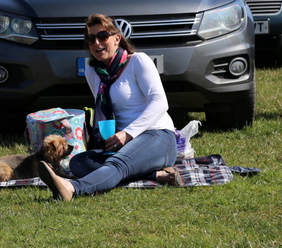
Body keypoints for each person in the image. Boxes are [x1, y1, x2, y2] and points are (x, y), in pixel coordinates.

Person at [38, 14, 181, 201]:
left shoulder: (138, 61)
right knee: (78, 163)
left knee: (117, 164)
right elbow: (103, 110)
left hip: (158, 135)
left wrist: (128, 133)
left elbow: (160, 102)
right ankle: (157, 175)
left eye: (102, 37)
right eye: (90, 39)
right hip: (122, 142)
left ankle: (71, 188)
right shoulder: (92, 71)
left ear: (116, 38)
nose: (96, 43)